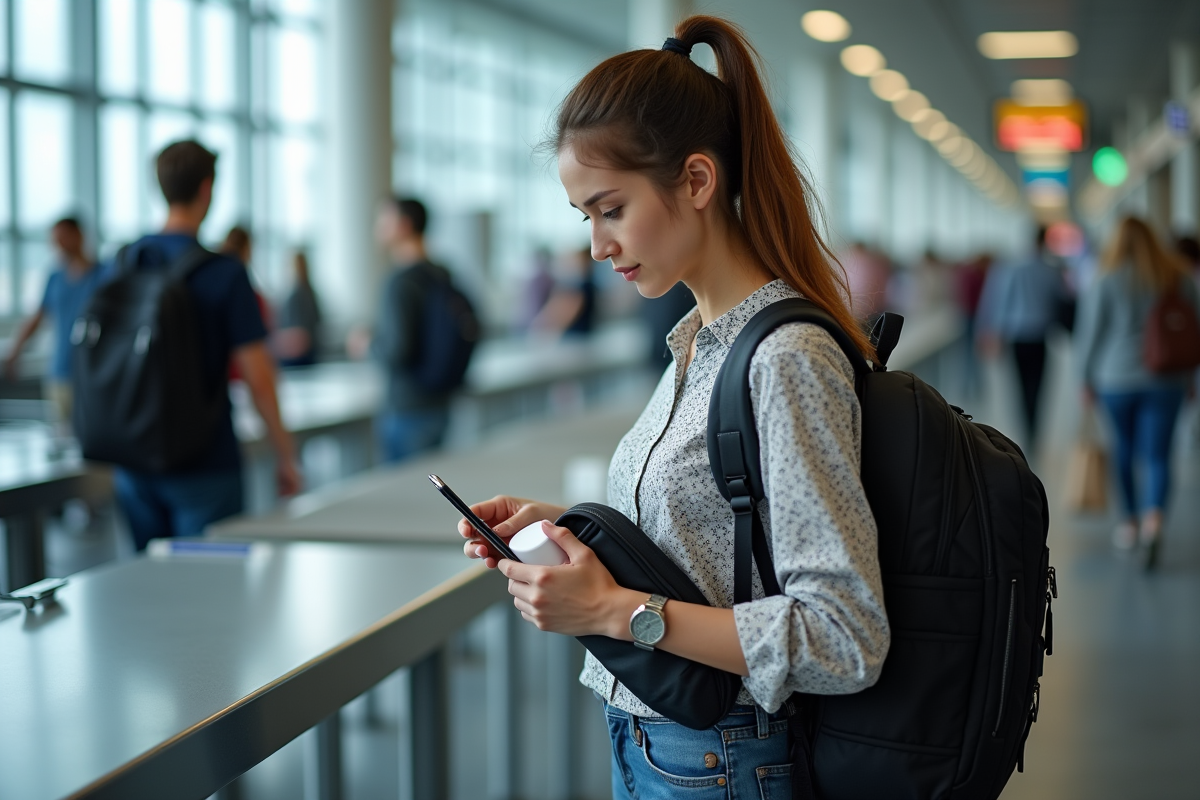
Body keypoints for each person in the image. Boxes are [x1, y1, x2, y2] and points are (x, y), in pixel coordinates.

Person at [458, 17, 888, 799]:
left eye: (611, 209)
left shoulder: (784, 358)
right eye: (584, 216)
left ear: (696, 180)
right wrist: (556, 523)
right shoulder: (701, 340)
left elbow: (844, 635)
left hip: (721, 759)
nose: (596, 245)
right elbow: (721, 535)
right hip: (668, 747)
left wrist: (619, 611)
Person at [113, 140, 301, 550]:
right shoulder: (224, 273)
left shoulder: (126, 261)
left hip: (132, 459)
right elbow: (258, 376)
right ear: (206, 189)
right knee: (210, 595)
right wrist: (284, 454)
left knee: (143, 586)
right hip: (205, 461)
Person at [1075, 217, 1200, 568]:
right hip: (1167, 380)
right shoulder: (1178, 278)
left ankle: (1129, 523)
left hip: (1115, 380)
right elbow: (1193, 330)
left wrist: (1084, 380)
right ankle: (1154, 522)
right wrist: (1190, 378)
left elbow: (1089, 335)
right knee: (1159, 454)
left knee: (1124, 450)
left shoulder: (1106, 279)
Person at [372, 196, 456, 462]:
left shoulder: (400, 281)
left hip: (408, 407)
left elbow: (397, 350)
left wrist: (367, 345)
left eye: (384, 220)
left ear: (404, 225)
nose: (378, 227)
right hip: (440, 402)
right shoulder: (441, 273)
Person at [4, 217, 105, 429]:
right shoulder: (55, 278)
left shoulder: (103, 275)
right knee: (61, 437)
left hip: (92, 373)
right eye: (55, 240)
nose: (58, 244)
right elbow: (37, 317)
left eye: (63, 238)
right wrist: (16, 350)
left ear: (79, 235)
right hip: (60, 372)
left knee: (94, 436)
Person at [976, 226, 1069, 448]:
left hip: (1016, 336)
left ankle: (1025, 427)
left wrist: (989, 330)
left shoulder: (1011, 268)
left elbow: (998, 301)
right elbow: (1061, 300)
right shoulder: (1050, 269)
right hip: (1040, 336)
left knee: (1019, 384)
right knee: (1038, 385)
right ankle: (1034, 427)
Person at [530, 246, 598, 336]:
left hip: (575, 335)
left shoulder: (578, 286)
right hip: (582, 332)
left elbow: (567, 311)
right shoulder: (585, 284)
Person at [274, 250, 322, 368]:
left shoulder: (296, 295)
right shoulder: (311, 293)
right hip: (311, 352)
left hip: (297, 355)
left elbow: (299, 336)